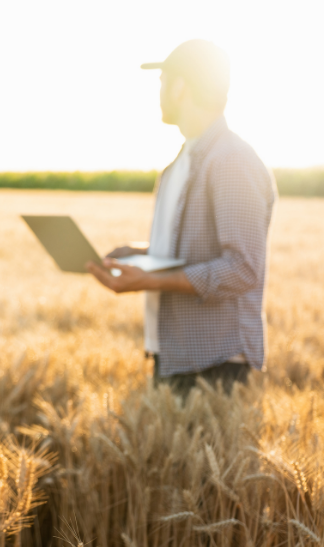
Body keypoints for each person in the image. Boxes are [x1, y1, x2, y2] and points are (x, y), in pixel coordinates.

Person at [86, 39, 277, 396]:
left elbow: (243, 267)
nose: (158, 93)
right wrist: (139, 253)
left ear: (180, 86)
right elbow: (194, 250)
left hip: (216, 363)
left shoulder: (232, 161)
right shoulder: (179, 165)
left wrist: (151, 280)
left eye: (162, 81)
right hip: (173, 354)